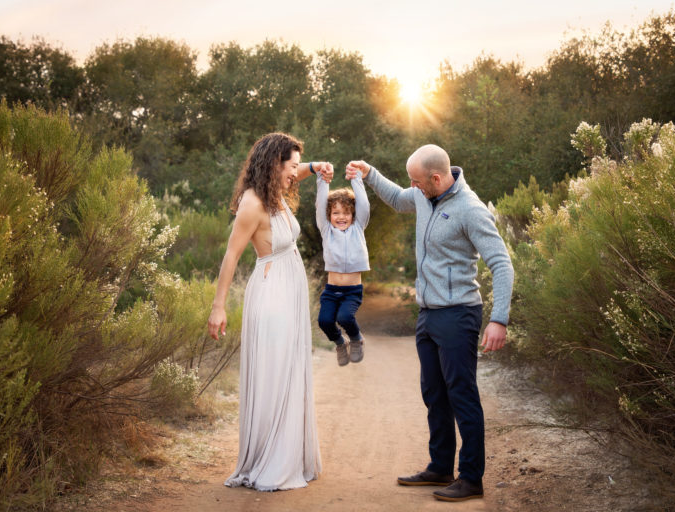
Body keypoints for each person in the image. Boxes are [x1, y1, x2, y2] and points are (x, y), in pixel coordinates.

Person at [346, 145, 513, 502]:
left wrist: (499, 319)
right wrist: (369, 172)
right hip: (428, 315)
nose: (414, 188)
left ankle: (471, 478)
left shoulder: (470, 210)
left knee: (462, 396)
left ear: (436, 179)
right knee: (434, 394)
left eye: (418, 182)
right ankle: (439, 466)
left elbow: (502, 263)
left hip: (458, 314)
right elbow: (396, 198)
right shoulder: (425, 196)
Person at [208, 132, 331, 491]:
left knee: (289, 372)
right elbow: (231, 255)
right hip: (272, 295)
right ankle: (269, 460)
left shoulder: (272, 192)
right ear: (273, 164)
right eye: (291, 166)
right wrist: (218, 307)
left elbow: (299, 171)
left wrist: (313, 166)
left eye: (296, 167)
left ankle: (287, 453)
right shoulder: (253, 203)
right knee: (275, 375)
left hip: (287, 294)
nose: (295, 173)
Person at [314, 168, 370, 366]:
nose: (341, 217)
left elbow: (363, 205)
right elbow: (320, 204)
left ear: (353, 215)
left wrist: (356, 178)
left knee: (345, 317)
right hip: (331, 290)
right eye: (335, 212)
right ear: (329, 215)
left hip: (352, 291)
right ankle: (340, 342)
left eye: (346, 212)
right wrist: (322, 179)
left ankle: (356, 339)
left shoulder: (358, 228)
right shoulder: (326, 230)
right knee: (325, 321)